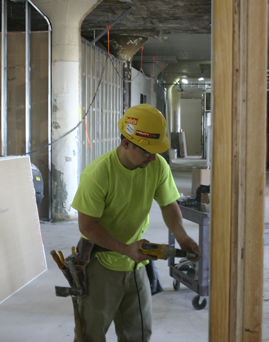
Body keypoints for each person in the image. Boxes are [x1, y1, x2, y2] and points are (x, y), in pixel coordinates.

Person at [71, 103, 200, 342]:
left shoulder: (157, 166)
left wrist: (182, 236)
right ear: (126, 144)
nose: (153, 157)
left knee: (138, 334)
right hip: (101, 264)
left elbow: (168, 204)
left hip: (136, 265)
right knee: (91, 335)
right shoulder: (98, 174)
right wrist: (125, 249)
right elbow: (87, 226)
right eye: (146, 151)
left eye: (156, 151)